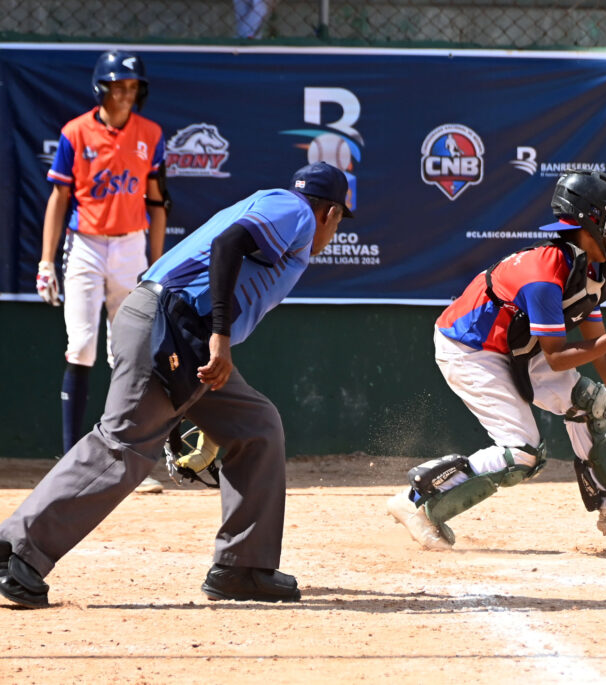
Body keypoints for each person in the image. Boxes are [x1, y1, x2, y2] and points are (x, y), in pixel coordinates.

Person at [0, 162, 354, 609]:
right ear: (332, 214)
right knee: (123, 446)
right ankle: (15, 551)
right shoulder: (297, 210)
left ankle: (242, 567)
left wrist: (190, 398)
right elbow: (228, 246)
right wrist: (222, 339)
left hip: (182, 335)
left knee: (256, 427)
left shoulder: (274, 205)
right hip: (168, 324)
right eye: (339, 220)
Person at [387, 169, 606, 551]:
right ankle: (417, 504)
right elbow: (559, 358)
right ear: (587, 221)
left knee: (588, 402)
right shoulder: (545, 273)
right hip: (471, 349)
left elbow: (600, 349)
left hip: (517, 348)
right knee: (523, 454)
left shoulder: (585, 272)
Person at [36, 50, 168, 494]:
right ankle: (71, 461)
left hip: (131, 245)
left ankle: (127, 461)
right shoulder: (76, 131)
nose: (125, 94)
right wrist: (46, 260)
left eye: (132, 87)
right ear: (102, 88)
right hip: (86, 246)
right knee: (82, 345)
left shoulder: (151, 134)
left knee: (130, 352)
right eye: (118, 86)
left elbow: (156, 201)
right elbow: (59, 199)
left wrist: (157, 262)